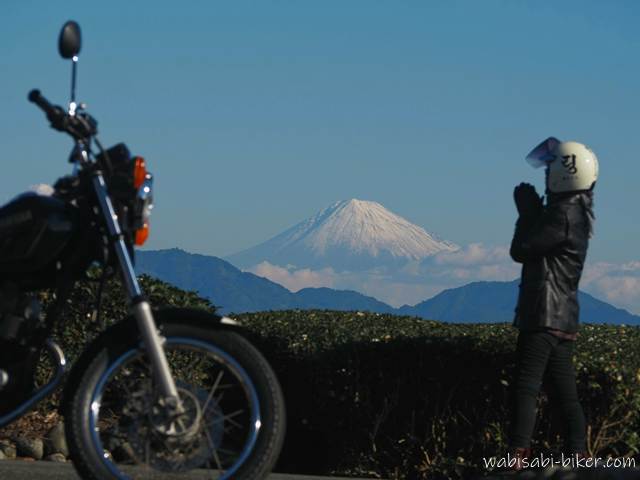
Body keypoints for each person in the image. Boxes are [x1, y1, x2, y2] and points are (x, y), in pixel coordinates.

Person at [507, 137, 598, 470]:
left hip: (543, 313)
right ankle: (578, 455)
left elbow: (522, 249)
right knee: (564, 391)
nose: (546, 177)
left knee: (526, 385)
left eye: (550, 170)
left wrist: (526, 214)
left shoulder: (560, 214)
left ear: (564, 173)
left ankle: (515, 456)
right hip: (564, 317)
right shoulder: (578, 212)